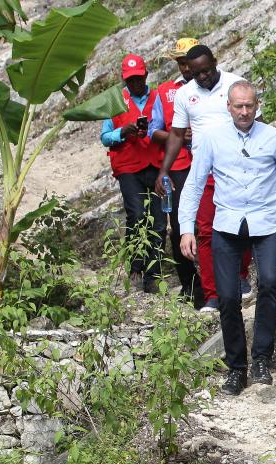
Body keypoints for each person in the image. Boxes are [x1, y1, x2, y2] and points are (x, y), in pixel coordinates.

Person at [179, 81, 276, 394]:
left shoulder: (274, 138)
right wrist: (185, 228)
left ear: (257, 105)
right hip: (227, 224)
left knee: (270, 284)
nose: (245, 112)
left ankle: (261, 359)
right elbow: (194, 185)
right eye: (239, 106)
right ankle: (237, 367)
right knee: (228, 297)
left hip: (269, 221)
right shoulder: (212, 139)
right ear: (229, 107)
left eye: (250, 105)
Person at [156, 44, 255, 312]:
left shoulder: (236, 84)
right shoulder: (185, 94)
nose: (202, 78)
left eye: (206, 71)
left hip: (237, 166)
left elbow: (256, 122)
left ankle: (241, 276)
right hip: (204, 170)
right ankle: (212, 294)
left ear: (215, 62)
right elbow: (176, 135)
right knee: (207, 231)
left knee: (242, 224)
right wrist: (164, 170)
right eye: (196, 73)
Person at [100, 53, 165, 294]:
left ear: (146, 75)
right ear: (124, 80)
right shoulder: (115, 101)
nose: (135, 83)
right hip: (128, 166)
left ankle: (154, 274)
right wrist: (122, 132)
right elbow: (105, 137)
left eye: (138, 78)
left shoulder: (157, 97)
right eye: (130, 80)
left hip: (156, 165)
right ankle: (136, 268)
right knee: (136, 215)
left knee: (158, 221)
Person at [147, 37, 202, 306]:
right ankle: (191, 286)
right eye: (180, 63)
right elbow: (152, 130)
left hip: (210, 164)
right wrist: (176, 135)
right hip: (180, 165)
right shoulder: (165, 92)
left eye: (187, 61)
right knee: (180, 226)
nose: (185, 68)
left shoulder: (216, 85)